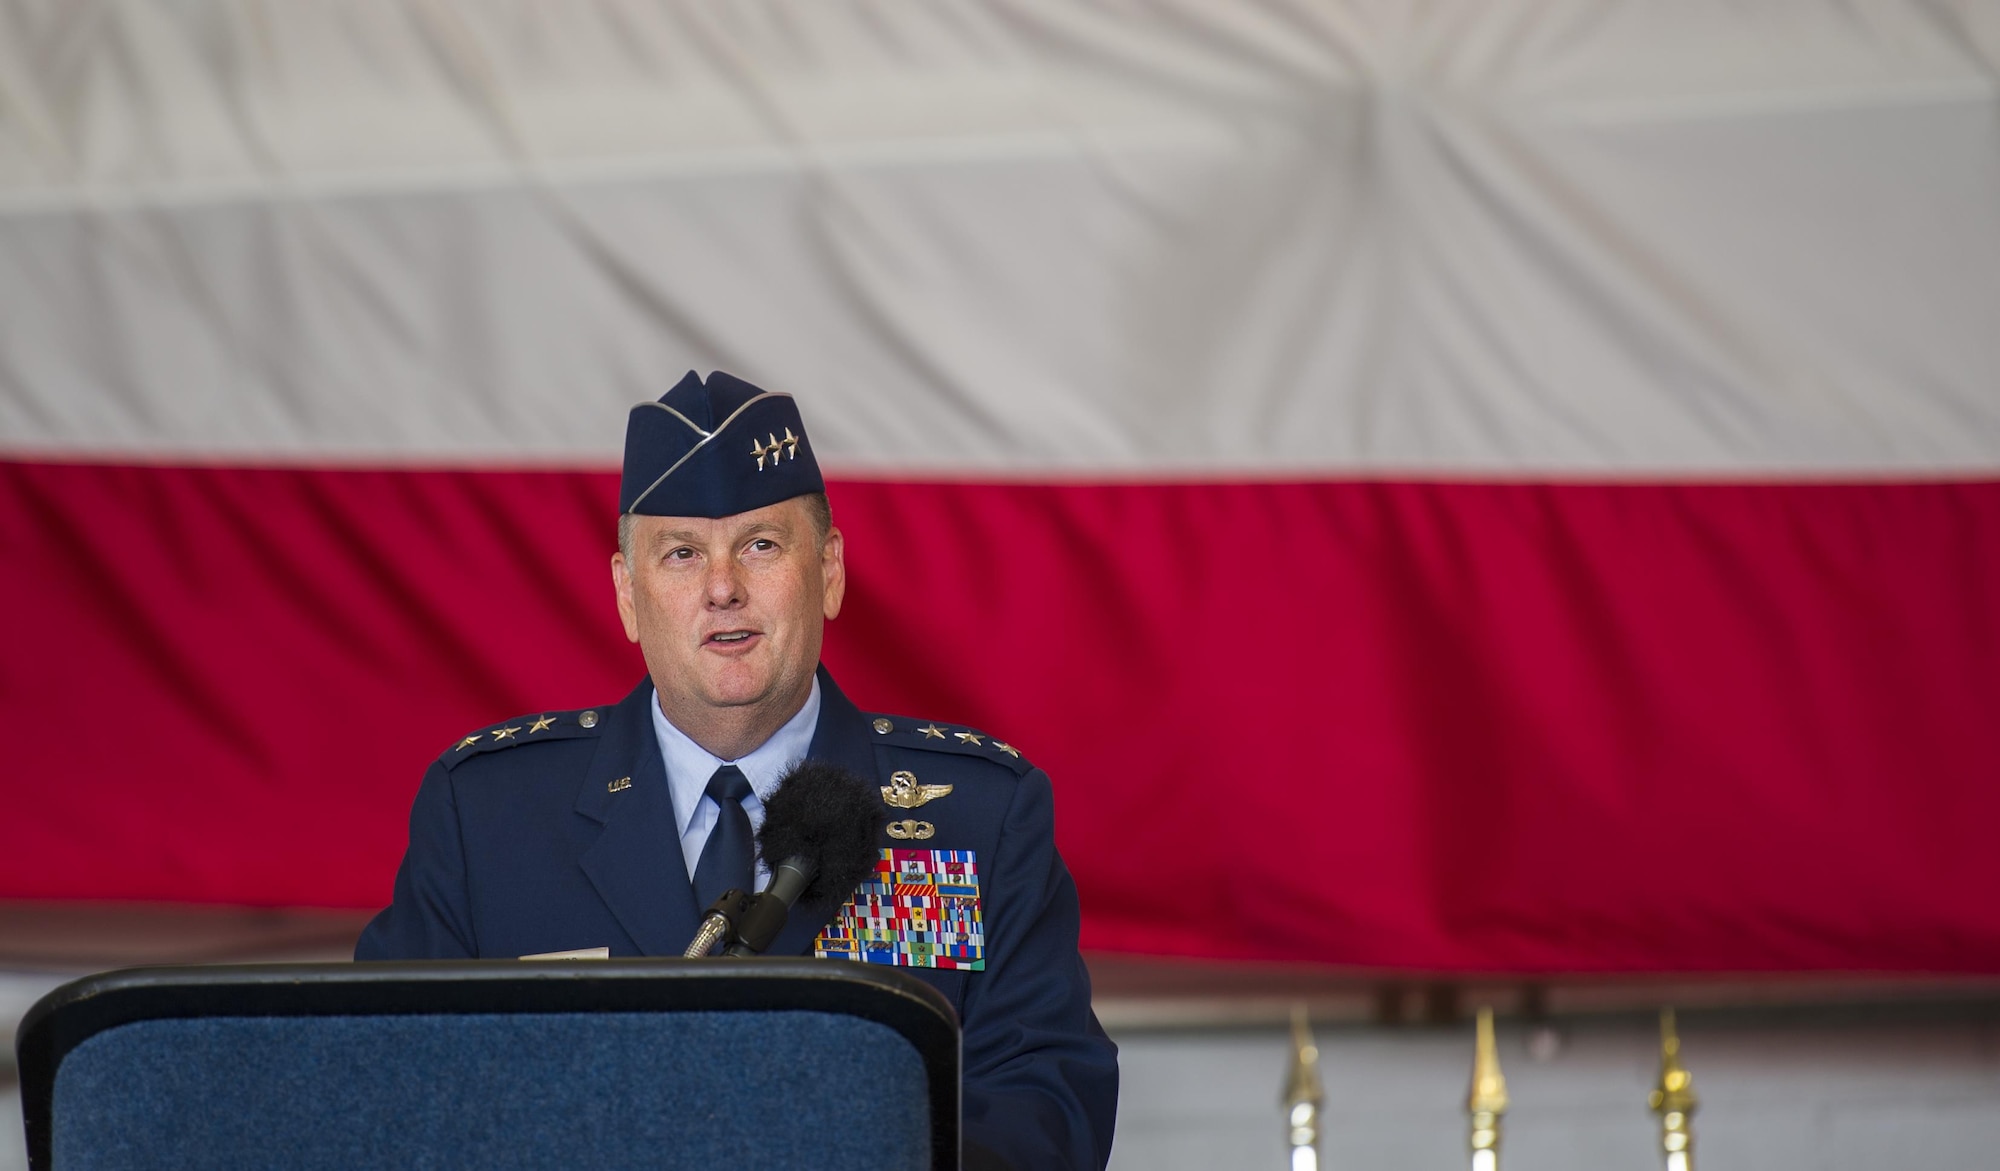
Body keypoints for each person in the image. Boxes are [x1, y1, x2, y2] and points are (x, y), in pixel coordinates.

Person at [356, 370, 1118, 1169]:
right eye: (681, 553)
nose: (723, 588)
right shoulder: (485, 817)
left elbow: (1050, 1106)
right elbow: (383, 1096)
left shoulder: (984, 817)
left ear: (827, 571)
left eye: (760, 545)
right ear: (625, 592)